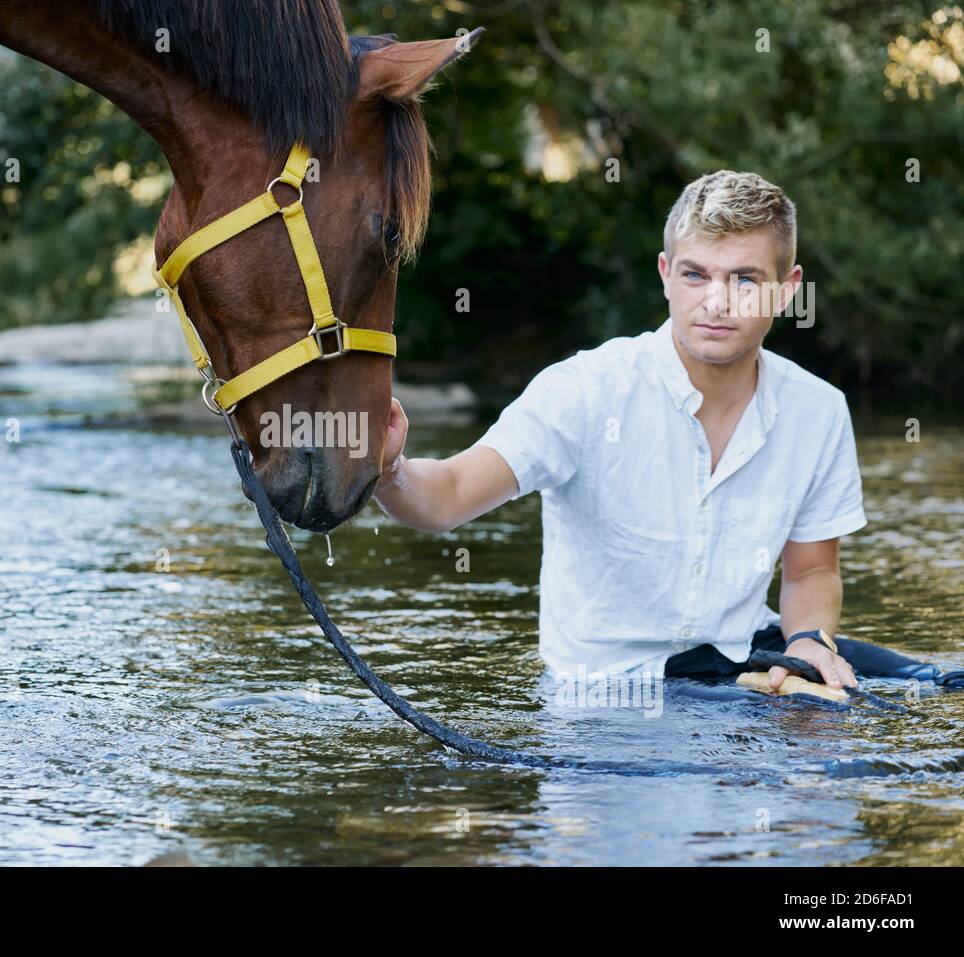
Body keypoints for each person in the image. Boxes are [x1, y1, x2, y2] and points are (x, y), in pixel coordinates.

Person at [373, 169, 959, 694]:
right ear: (665, 275)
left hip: (737, 676)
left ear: (787, 288)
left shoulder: (819, 410)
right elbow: (445, 497)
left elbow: (811, 570)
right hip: (603, 702)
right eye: (696, 274)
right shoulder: (583, 390)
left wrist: (808, 639)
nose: (717, 301)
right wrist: (388, 467)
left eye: (746, 279)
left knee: (932, 694)